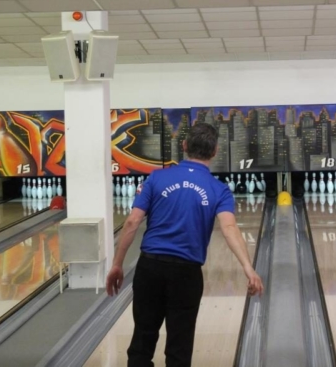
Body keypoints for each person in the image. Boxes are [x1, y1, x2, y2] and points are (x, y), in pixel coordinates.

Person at [106, 122, 264, 367]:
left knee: (142, 341)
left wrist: (117, 264)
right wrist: (248, 268)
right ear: (215, 151)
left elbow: (132, 222)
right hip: (186, 274)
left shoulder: (157, 178)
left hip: (150, 269)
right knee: (179, 348)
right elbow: (229, 228)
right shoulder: (219, 189)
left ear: (184, 145)